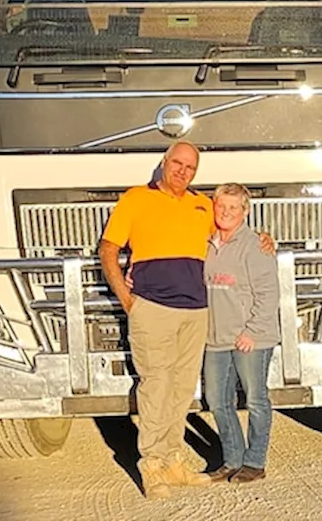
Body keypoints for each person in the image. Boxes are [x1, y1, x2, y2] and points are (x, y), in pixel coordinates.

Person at [98, 140, 275, 499]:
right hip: (153, 310)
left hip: (196, 314)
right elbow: (108, 248)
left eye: (190, 167)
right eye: (177, 163)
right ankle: (152, 465)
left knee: (180, 392)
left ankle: (174, 461)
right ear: (164, 162)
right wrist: (126, 298)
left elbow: (232, 225)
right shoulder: (135, 199)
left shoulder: (201, 205)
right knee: (155, 387)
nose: (183, 171)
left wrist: (265, 237)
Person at [202, 183, 280, 484]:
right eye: (221, 206)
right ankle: (232, 459)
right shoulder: (205, 242)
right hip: (216, 336)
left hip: (251, 338)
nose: (226, 212)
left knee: (256, 399)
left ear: (245, 211)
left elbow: (268, 293)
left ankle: (255, 461)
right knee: (217, 399)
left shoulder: (255, 246)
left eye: (233, 207)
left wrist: (252, 331)